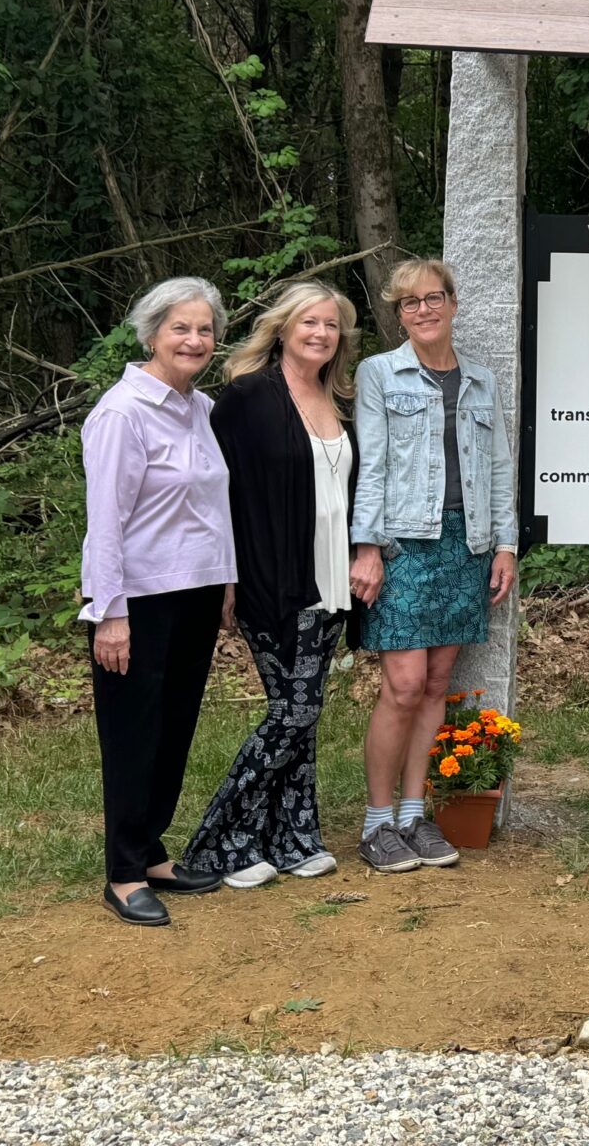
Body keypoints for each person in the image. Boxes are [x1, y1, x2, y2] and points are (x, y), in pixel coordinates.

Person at [184, 281, 367, 889]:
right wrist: (226, 578)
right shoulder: (244, 399)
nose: (320, 333)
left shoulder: (338, 397)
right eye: (309, 322)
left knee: (303, 714)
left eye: (332, 325)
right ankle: (220, 843)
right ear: (283, 329)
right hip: (271, 579)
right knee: (294, 709)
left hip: (332, 580)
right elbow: (215, 495)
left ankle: (293, 836)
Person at [351, 258, 518, 873]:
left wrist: (505, 544)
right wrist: (365, 546)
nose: (423, 310)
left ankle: (414, 814)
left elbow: (498, 465)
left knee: (435, 687)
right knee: (400, 685)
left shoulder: (478, 379)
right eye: (409, 303)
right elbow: (369, 463)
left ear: (453, 302)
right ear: (399, 315)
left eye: (433, 298)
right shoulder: (379, 374)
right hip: (402, 546)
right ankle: (376, 823)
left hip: (464, 546)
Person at [79, 277, 236, 926]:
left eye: (204, 329)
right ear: (151, 335)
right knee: (133, 734)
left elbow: (211, 503)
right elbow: (105, 523)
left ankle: (150, 851)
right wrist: (108, 612)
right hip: (138, 600)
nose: (194, 339)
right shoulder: (122, 412)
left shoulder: (198, 409)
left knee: (174, 729)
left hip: (196, 593)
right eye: (181, 328)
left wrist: (226, 579)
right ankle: (122, 874)